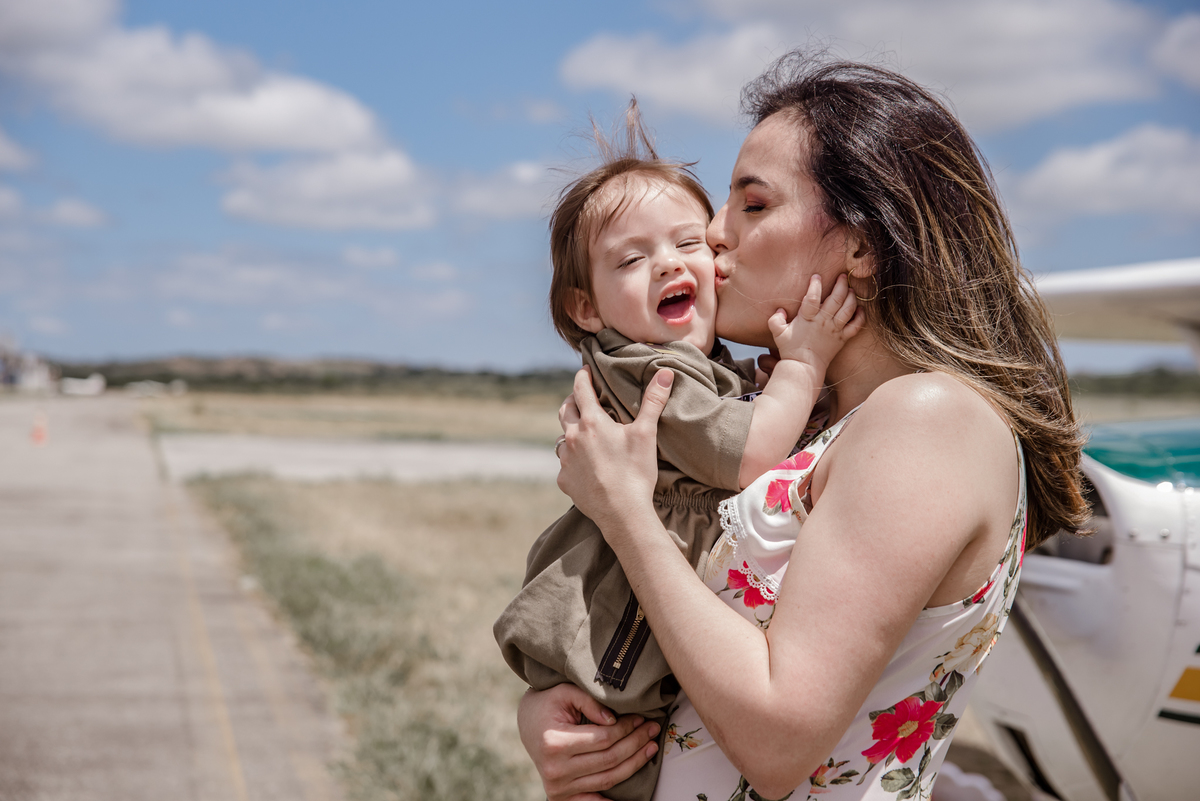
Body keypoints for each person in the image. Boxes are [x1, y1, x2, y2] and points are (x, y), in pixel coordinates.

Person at [518, 52, 1088, 801]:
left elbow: (778, 737)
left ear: (859, 242)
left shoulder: (928, 419)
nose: (713, 235)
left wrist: (624, 510)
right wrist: (552, 716)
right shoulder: (834, 424)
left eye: (752, 206)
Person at [494, 103, 862, 801]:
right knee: (612, 763)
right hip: (620, 643)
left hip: (648, 646)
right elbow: (749, 453)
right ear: (587, 310)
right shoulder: (650, 371)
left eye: (690, 243)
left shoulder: (697, 364)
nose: (669, 262)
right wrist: (803, 366)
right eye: (631, 258)